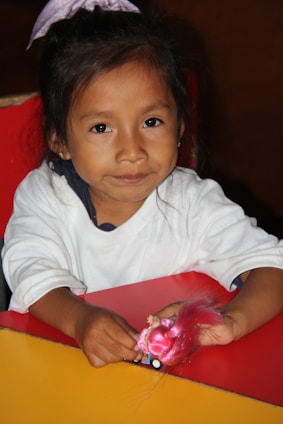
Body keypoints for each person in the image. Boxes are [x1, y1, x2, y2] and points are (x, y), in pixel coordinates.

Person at [2, 0, 283, 368]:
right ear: (59, 139)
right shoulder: (44, 197)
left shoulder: (192, 202)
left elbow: (273, 267)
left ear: (180, 126)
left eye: (151, 122)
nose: (132, 152)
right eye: (101, 128)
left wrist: (229, 321)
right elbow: (30, 274)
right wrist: (79, 319)